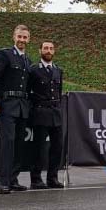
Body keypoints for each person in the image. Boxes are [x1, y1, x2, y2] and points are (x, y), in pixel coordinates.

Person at [0, 24, 33, 194]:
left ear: (29, 39)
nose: (22, 40)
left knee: (19, 146)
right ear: (14, 37)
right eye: (19, 36)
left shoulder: (28, 60)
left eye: (25, 37)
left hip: (22, 107)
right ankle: (4, 182)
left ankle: (14, 180)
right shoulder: (4, 54)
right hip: (7, 106)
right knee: (8, 144)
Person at [28, 40, 64, 189]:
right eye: (45, 48)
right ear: (40, 51)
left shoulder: (58, 70)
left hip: (55, 112)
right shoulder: (33, 70)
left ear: (54, 51)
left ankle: (52, 178)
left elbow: (59, 91)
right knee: (39, 148)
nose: (48, 50)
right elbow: (28, 92)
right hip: (40, 112)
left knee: (57, 146)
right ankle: (36, 179)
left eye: (51, 48)